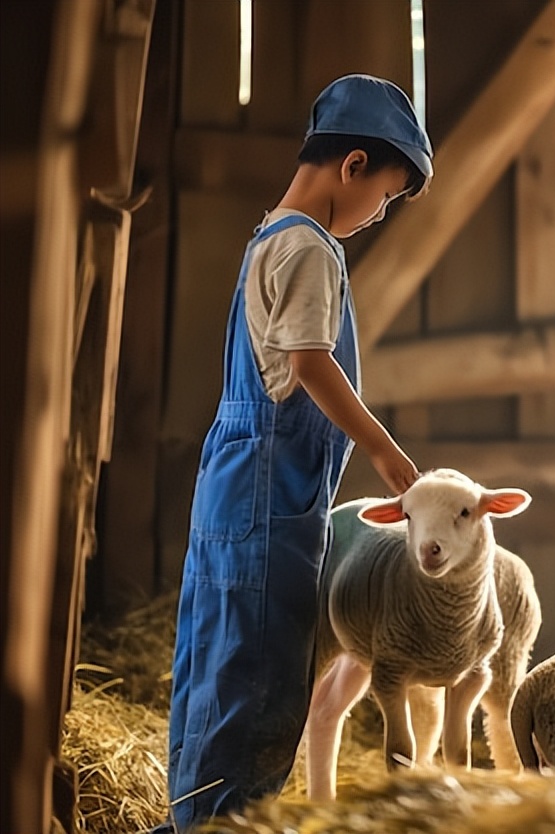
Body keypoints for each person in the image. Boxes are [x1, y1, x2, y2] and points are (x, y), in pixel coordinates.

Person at [153, 73, 432, 833]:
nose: (377, 214)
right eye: (384, 195)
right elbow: (310, 362)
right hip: (271, 494)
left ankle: (191, 815)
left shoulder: (268, 235)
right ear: (353, 167)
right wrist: (383, 448)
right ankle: (228, 822)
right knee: (262, 669)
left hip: (234, 478)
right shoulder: (309, 248)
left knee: (214, 652)